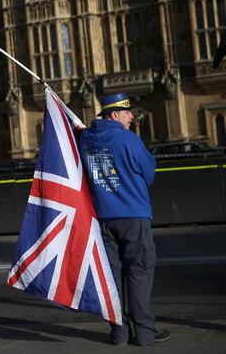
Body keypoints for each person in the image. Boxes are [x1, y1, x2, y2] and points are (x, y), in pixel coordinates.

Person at [79, 93, 170, 346]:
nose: (131, 116)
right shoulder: (129, 140)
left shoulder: (86, 140)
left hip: (103, 219)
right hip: (133, 216)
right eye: (127, 112)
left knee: (113, 278)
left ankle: (119, 334)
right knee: (139, 273)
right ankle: (143, 332)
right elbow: (149, 173)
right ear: (114, 115)